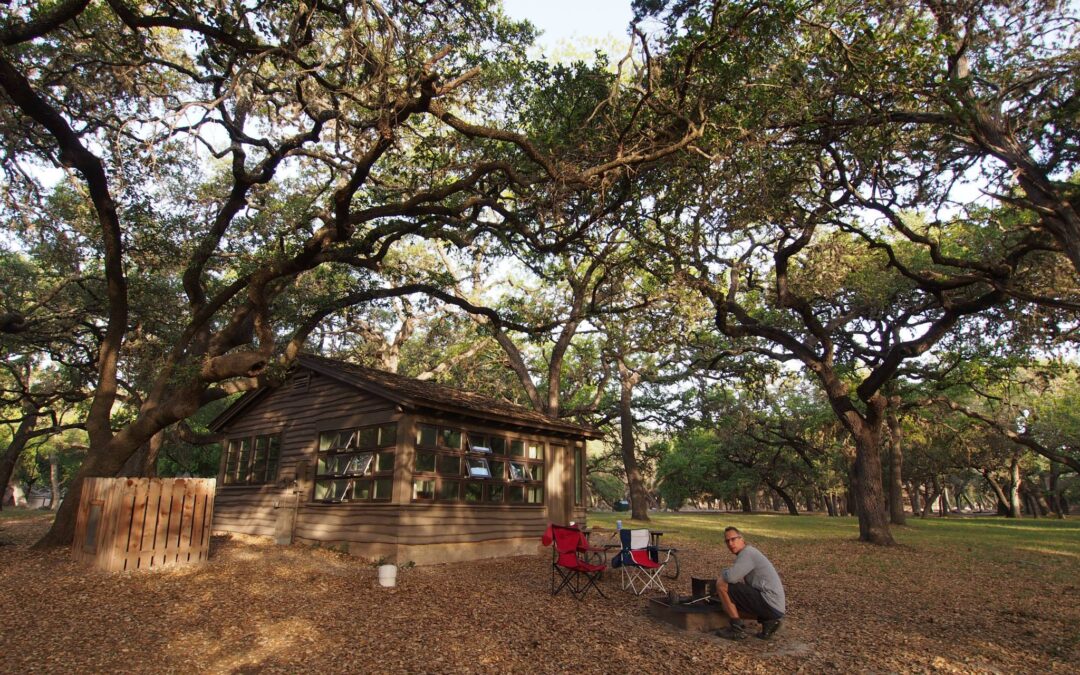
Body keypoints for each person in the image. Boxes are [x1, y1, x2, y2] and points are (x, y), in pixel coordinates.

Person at [714, 526, 786, 641]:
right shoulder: (748, 553)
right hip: (776, 608)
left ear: (742, 539)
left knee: (721, 583)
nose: (730, 543)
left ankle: (736, 630)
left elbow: (731, 577)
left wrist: (724, 572)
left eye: (733, 539)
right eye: (727, 541)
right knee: (727, 605)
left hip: (770, 601)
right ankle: (769, 622)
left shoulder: (747, 553)